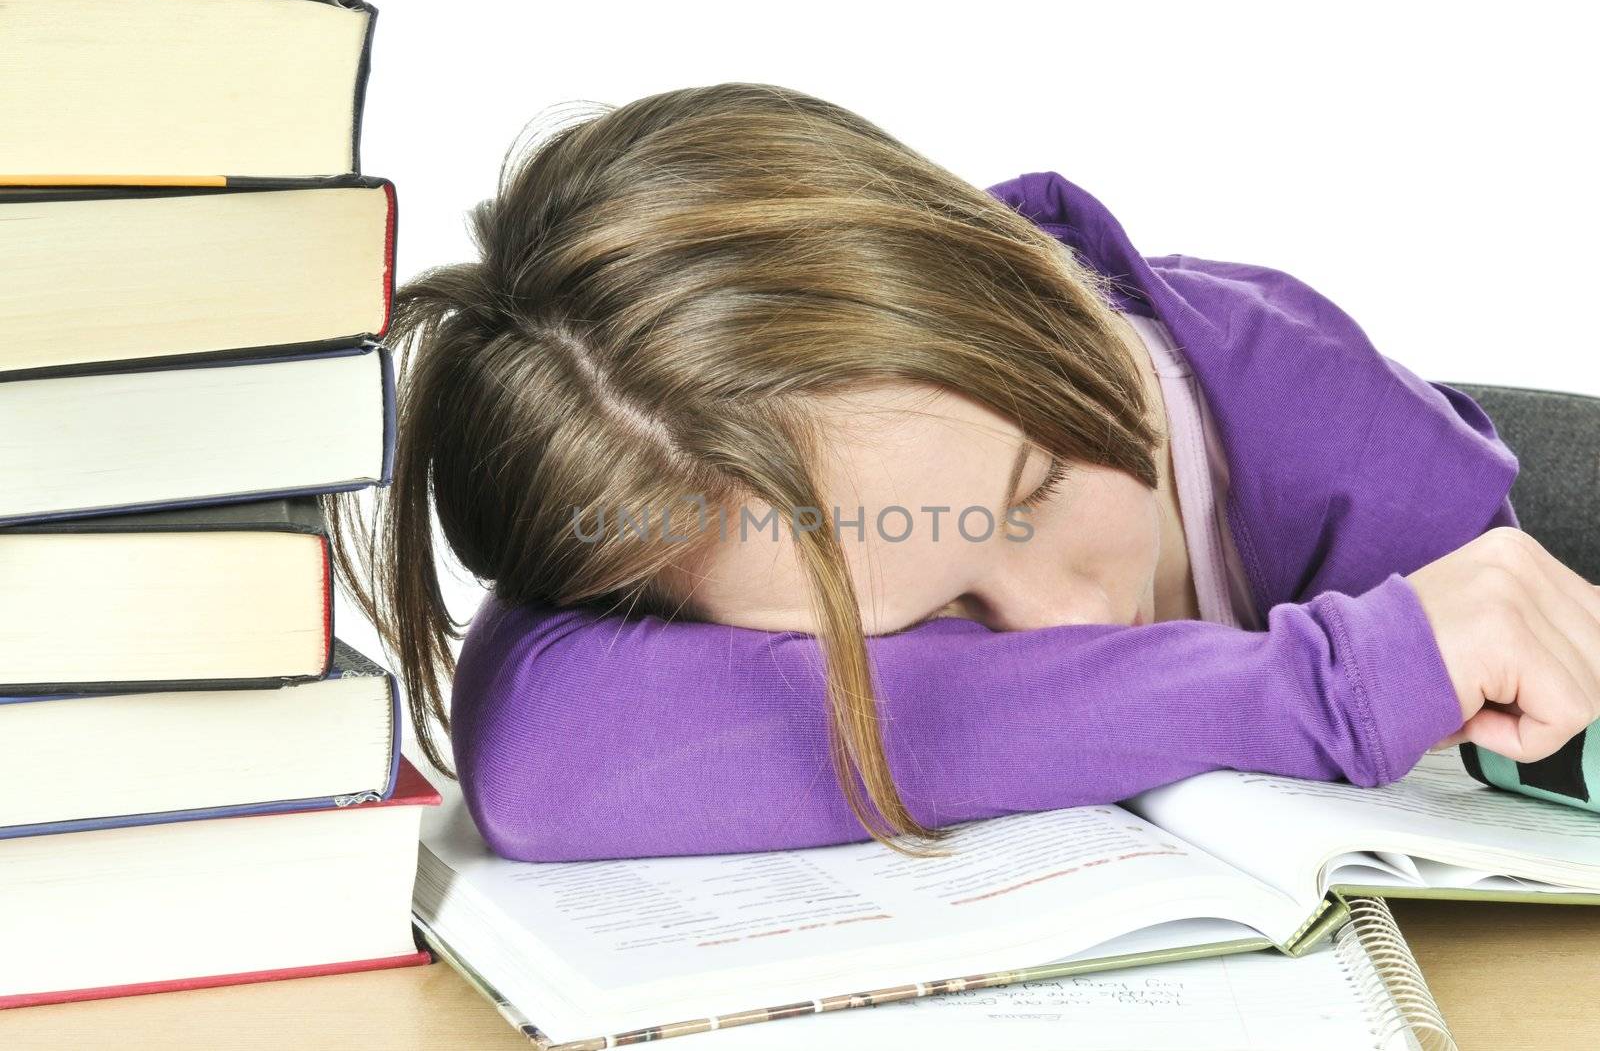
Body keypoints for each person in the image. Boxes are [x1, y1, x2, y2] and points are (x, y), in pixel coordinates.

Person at [327, 82, 1600, 864]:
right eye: (929, 626)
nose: (1070, 621)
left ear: (1047, 279)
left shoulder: (1330, 430)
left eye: (1038, 489)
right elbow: (550, 764)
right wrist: (1311, 687)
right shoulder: (677, 487)